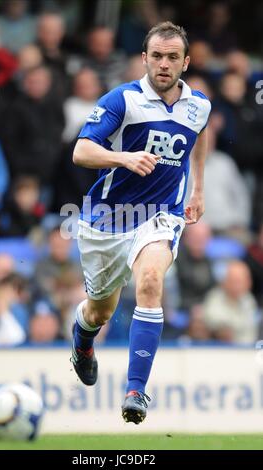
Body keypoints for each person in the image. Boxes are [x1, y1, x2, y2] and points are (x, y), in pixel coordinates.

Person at [71, 21, 211, 424]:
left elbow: (200, 135)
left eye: (172, 57)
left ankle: (136, 391)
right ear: (144, 58)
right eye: (156, 56)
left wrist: (197, 189)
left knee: (150, 280)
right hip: (108, 218)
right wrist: (124, 158)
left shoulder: (198, 105)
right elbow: (81, 150)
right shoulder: (123, 100)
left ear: (186, 62)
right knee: (99, 311)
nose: (163, 64)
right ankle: (83, 341)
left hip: (161, 215)